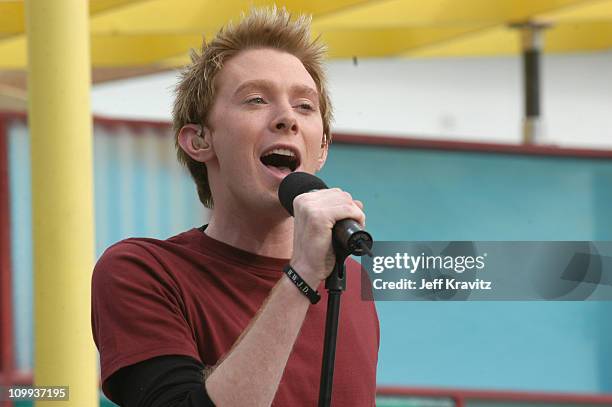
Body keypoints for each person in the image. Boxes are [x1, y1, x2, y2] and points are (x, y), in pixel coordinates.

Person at [92, 7, 379, 406]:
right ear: (198, 140)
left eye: (305, 106)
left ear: (323, 148)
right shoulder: (142, 271)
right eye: (257, 99)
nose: (287, 119)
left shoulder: (348, 283)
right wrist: (303, 274)